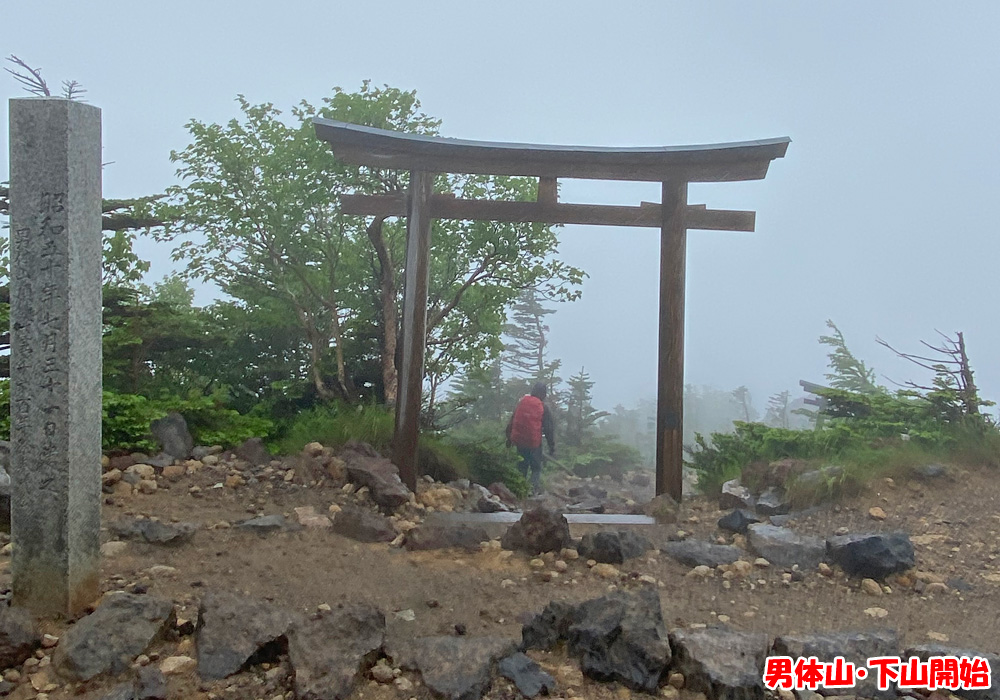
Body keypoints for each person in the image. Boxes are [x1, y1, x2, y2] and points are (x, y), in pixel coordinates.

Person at [505, 382, 555, 494]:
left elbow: (513, 421)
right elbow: (548, 429)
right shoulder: (543, 407)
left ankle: (518, 490)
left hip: (519, 440)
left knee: (522, 466)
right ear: (543, 394)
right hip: (534, 443)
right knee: (536, 468)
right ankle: (532, 491)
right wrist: (552, 447)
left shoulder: (522, 402)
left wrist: (509, 438)